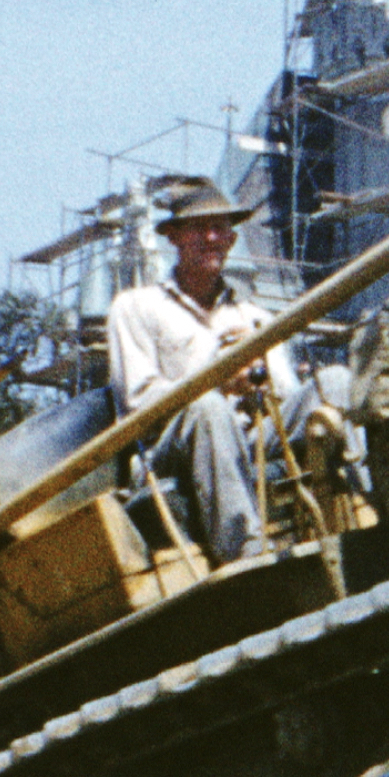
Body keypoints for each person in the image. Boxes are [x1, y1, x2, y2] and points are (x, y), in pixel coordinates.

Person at [105, 179, 295, 565]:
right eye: (198, 228)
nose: (212, 237)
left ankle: (372, 507)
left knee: (333, 385)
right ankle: (245, 551)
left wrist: (258, 379)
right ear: (173, 236)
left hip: (249, 434)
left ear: (232, 238)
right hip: (169, 449)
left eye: (221, 227)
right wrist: (218, 379)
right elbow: (139, 402)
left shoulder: (254, 317)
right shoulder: (136, 307)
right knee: (208, 408)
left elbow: (289, 395)